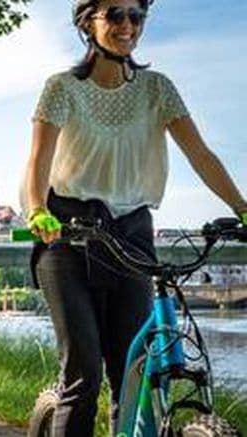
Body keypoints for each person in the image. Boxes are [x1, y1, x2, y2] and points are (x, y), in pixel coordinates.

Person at [23, 1, 247, 434]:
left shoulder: (157, 88)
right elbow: (37, 161)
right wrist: (36, 209)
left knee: (134, 373)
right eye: (115, 15)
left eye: (136, 16)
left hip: (132, 235)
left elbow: (201, 155)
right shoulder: (62, 88)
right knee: (83, 375)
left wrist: (241, 206)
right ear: (88, 22)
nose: (128, 25)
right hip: (67, 235)